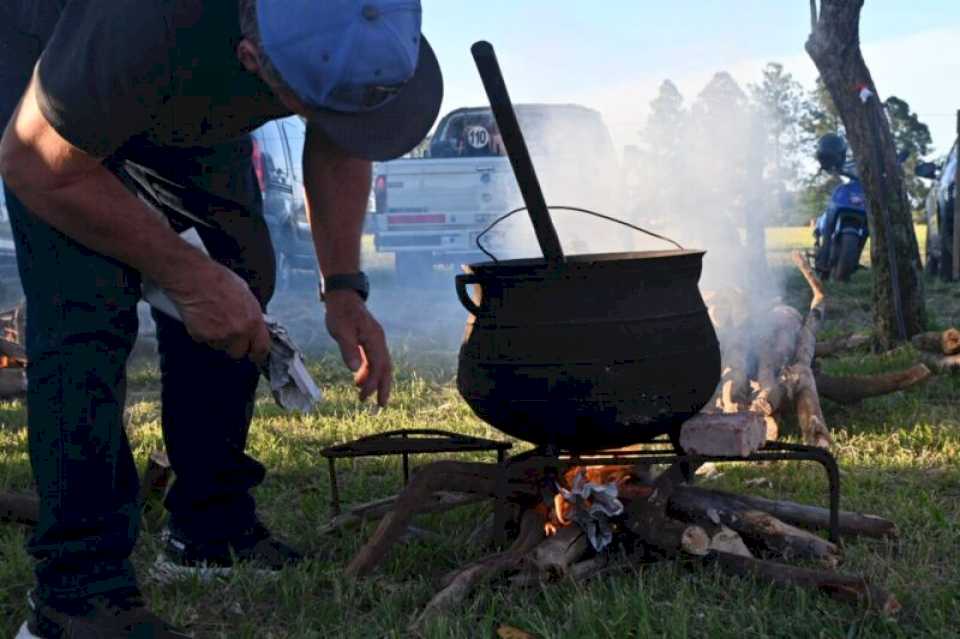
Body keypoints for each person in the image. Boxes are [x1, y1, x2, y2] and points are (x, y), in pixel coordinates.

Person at [0, 1, 443, 637]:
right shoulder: (140, 24)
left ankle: (209, 527)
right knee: (85, 314)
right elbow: (33, 166)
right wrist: (187, 276)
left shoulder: (356, 19)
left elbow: (343, 135)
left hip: (181, 84)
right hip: (50, 70)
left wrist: (343, 287)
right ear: (251, 59)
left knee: (242, 269)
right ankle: (76, 599)